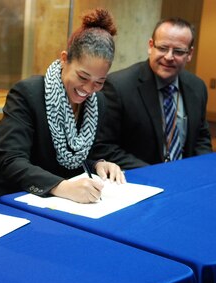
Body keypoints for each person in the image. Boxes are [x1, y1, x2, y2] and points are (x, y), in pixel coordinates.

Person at [0, 8, 125, 203]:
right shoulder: (28, 93)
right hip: (4, 198)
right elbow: (11, 160)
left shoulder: (98, 103)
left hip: (55, 204)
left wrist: (98, 165)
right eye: (82, 76)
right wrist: (63, 187)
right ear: (64, 59)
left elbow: (75, 155)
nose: (88, 88)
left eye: (99, 81)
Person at [89, 17, 212, 169]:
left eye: (178, 51)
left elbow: (201, 138)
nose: (168, 57)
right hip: (140, 183)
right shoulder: (118, 87)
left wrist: (205, 169)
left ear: (190, 54)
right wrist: (156, 174)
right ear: (150, 46)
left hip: (185, 180)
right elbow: (104, 147)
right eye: (162, 48)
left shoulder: (197, 87)